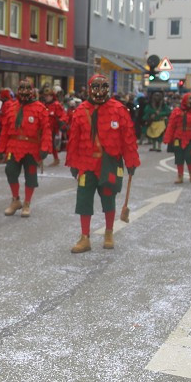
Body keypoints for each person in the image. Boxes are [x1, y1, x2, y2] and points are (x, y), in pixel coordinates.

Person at [65, 74, 140, 252]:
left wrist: (131, 160)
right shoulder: (80, 111)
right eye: (96, 87)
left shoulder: (119, 110)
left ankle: (109, 233)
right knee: (83, 199)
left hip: (110, 164)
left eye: (104, 87)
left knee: (108, 198)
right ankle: (85, 237)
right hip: (86, 163)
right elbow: (74, 140)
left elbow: (128, 138)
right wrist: (73, 162)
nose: (100, 92)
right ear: (90, 88)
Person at [0, 78, 52, 217]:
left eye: (28, 88)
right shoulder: (11, 107)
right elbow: (5, 129)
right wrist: (1, 148)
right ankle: (15, 200)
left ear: (32, 91)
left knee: (31, 175)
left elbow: (46, 129)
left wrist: (45, 147)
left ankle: (27, 202)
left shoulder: (40, 108)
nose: (24, 91)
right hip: (14, 146)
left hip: (32, 148)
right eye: (21, 88)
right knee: (10, 171)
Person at [164, 92, 191, 184]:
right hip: (178, 138)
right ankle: (180, 176)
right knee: (179, 157)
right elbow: (171, 125)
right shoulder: (176, 111)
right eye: (190, 100)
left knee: (190, 156)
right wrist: (168, 138)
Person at [41, 85, 67, 166]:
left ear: (52, 96)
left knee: (50, 143)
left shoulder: (56, 105)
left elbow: (63, 115)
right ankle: (39, 159)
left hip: (53, 128)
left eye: (49, 96)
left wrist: (62, 121)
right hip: (44, 128)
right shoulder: (43, 105)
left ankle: (56, 159)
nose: (47, 97)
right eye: (46, 96)